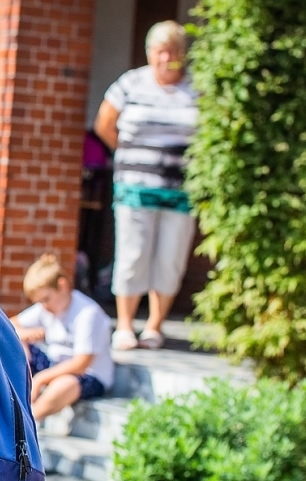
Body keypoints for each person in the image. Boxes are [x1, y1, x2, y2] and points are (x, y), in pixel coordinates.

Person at [95, 21, 198, 351]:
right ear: (150, 53)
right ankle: (124, 325)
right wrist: (128, 155)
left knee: (170, 258)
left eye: (174, 52)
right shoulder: (131, 83)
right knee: (132, 253)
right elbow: (105, 125)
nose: (167, 58)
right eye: (160, 51)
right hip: (135, 186)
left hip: (181, 191)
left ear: (183, 55)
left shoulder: (198, 89)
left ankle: (155, 325)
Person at [12, 252, 114, 423]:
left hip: (88, 375)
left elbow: (81, 364)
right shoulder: (46, 308)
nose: (43, 306)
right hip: (54, 364)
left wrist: (41, 378)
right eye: (39, 302)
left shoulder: (87, 313)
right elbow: (10, 325)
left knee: (63, 384)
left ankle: (26, 422)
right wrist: (23, 335)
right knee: (15, 345)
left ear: (63, 286)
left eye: (46, 299)